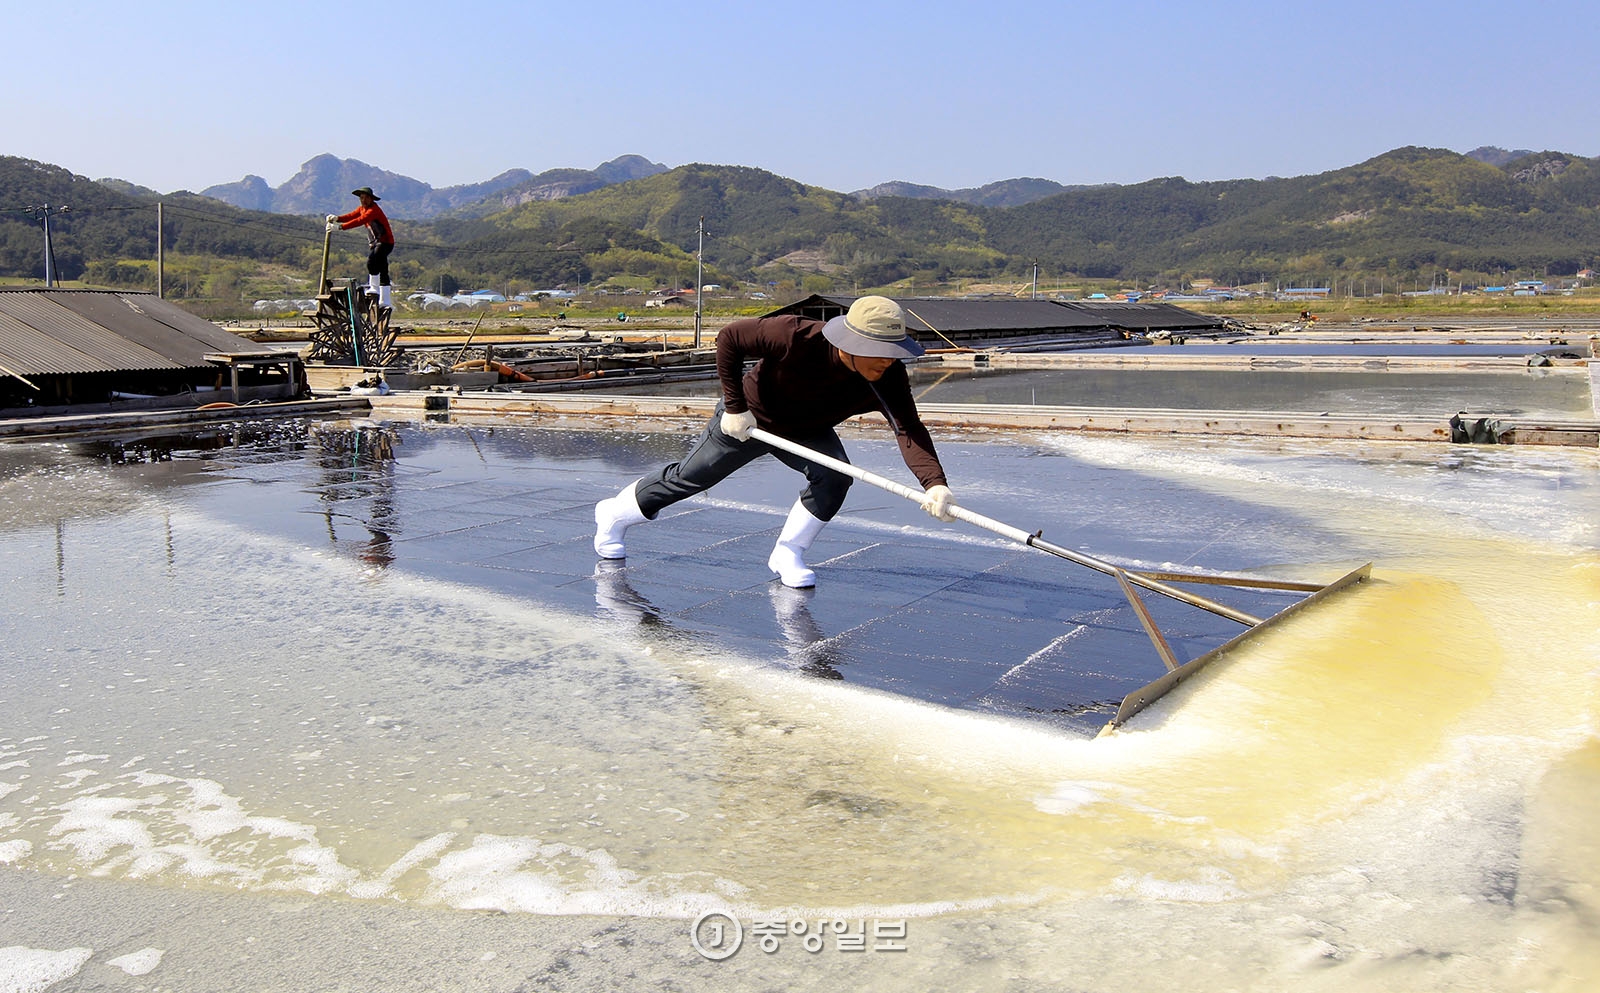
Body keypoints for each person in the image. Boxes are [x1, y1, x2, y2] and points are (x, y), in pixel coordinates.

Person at [592, 295, 957, 588]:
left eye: (895, 353)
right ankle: (614, 514)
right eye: (880, 353)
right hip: (749, 420)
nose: (889, 362)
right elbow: (730, 338)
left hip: (806, 429)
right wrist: (734, 407)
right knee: (691, 478)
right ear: (851, 343)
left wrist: (935, 484)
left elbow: (908, 428)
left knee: (834, 479)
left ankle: (788, 553)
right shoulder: (795, 335)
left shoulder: (888, 376)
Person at [327, 187, 395, 310]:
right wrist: (337, 218)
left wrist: (340, 227)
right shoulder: (362, 209)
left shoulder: (373, 210)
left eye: (366, 198)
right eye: (361, 198)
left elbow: (359, 220)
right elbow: (352, 216)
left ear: (371, 199)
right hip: (375, 243)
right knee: (382, 268)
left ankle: (376, 290)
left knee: (372, 262)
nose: (363, 200)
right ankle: (384, 300)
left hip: (385, 243)